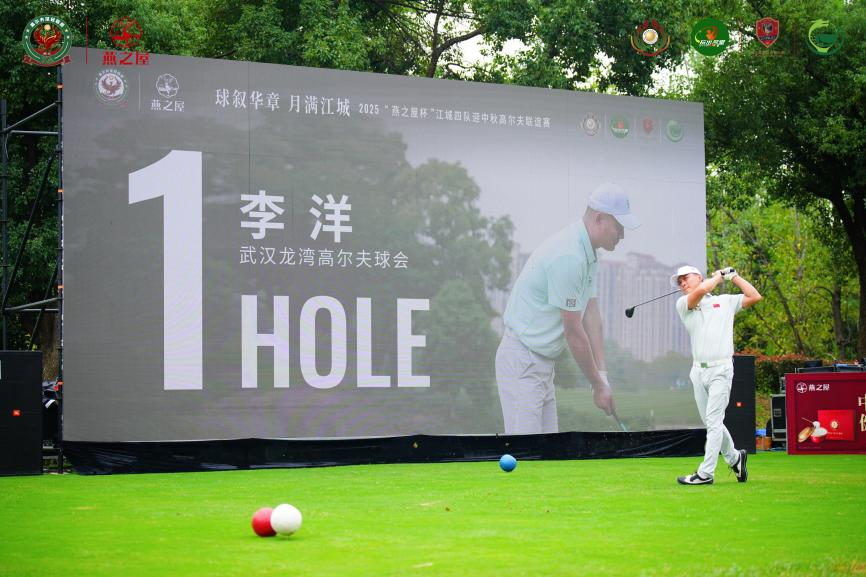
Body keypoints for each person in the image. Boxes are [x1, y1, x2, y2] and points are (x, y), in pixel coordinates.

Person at [495, 182, 639, 434]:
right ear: (599, 219)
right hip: (523, 361)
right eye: (619, 227)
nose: (622, 235)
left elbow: (591, 315)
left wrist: (602, 375)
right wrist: (597, 384)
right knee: (526, 452)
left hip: (542, 364)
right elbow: (573, 332)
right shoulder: (569, 256)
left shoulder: (588, 252)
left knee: (548, 451)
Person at [672, 264, 762, 485]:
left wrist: (734, 277)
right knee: (712, 423)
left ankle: (705, 473)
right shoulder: (683, 303)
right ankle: (735, 458)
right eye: (679, 282)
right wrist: (720, 276)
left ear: (698, 276)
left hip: (721, 370)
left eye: (685, 278)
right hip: (698, 371)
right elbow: (702, 290)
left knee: (714, 422)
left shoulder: (725, 302)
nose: (682, 283)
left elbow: (754, 296)